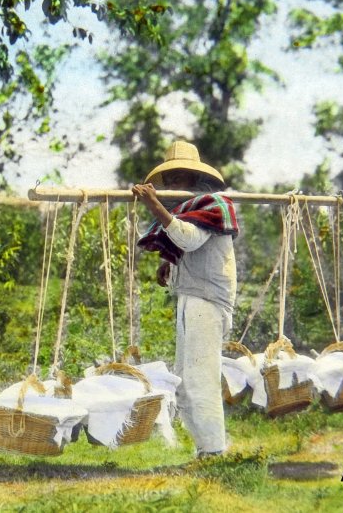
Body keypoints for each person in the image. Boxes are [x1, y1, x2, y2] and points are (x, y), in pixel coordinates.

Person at [131, 141, 238, 458]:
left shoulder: (212, 205)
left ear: (193, 179)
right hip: (193, 297)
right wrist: (171, 264)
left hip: (207, 300)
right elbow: (191, 247)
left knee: (200, 379)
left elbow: (190, 239)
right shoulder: (190, 210)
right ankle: (206, 448)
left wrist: (155, 207)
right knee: (186, 379)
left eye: (180, 178)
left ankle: (214, 450)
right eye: (171, 179)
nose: (174, 185)